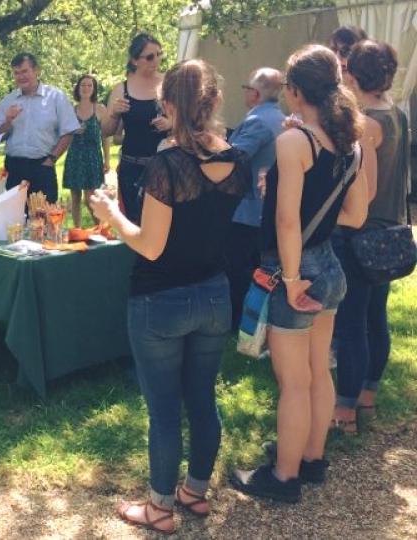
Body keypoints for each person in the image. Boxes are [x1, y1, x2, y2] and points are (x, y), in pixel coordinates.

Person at [90, 60, 249, 534]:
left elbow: (150, 245)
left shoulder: (168, 164)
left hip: (161, 299)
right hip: (215, 293)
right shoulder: (237, 159)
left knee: (163, 410)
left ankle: (159, 507)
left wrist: (110, 212)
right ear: (214, 102)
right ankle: (194, 492)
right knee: (202, 397)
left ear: (168, 105)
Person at [231, 44, 369, 503]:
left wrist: (290, 281)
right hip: (329, 262)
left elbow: (287, 221)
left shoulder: (295, 142)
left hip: (296, 268)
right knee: (317, 370)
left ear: (293, 90)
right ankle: (311, 458)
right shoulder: (350, 141)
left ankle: (283, 477)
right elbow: (355, 214)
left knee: (292, 382)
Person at [331, 40, 409, 433]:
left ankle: (344, 409)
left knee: (352, 323)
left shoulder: (365, 124)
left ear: (352, 74)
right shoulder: (397, 114)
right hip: (390, 230)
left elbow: (366, 188)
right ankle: (368, 396)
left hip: (361, 234)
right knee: (375, 318)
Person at [224, 67, 285, 329]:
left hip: (248, 210)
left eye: (247, 88)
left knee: (239, 269)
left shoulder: (258, 122)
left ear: (256, 93)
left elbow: (233, 159)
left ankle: (240, 322)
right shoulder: (280, 118)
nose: (246, 93)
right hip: (267, 208)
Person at [101, 34, 170, 222]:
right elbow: (105, 132)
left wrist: (172, 124)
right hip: (132, 166)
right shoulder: (121, 89)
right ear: (134, 60)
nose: (156, 60)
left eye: (159, 54)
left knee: (160, 223)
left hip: (163, 166)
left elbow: (188, 120)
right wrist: (114, 113)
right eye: (149, 57)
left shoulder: (169, 84)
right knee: (133, 221)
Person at [0, 52, 79, 202]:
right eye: (16, 73)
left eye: (25, 71)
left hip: (42, 166)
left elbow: (68, 131)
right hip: (14, 168)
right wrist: (8, 121)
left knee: (44, 218)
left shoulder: (55, 97)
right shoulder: (9, 100)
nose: (21, 76)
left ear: (36, 70)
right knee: (15, 219)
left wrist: (51, 160)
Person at [63, 74, 110, 227]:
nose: (86, 88)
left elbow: (105, 136)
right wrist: (73, 131)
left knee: (91, 198)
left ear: (94, 89)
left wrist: (107, 160)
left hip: (93, 157)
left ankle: (101, 229)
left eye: (90, 85)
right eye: (83, 85)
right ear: (78, 88)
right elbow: (64, 132)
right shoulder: (71, 109)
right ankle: (77, 231)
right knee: (75, 196)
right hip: (75, 156)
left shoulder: (100, 109)